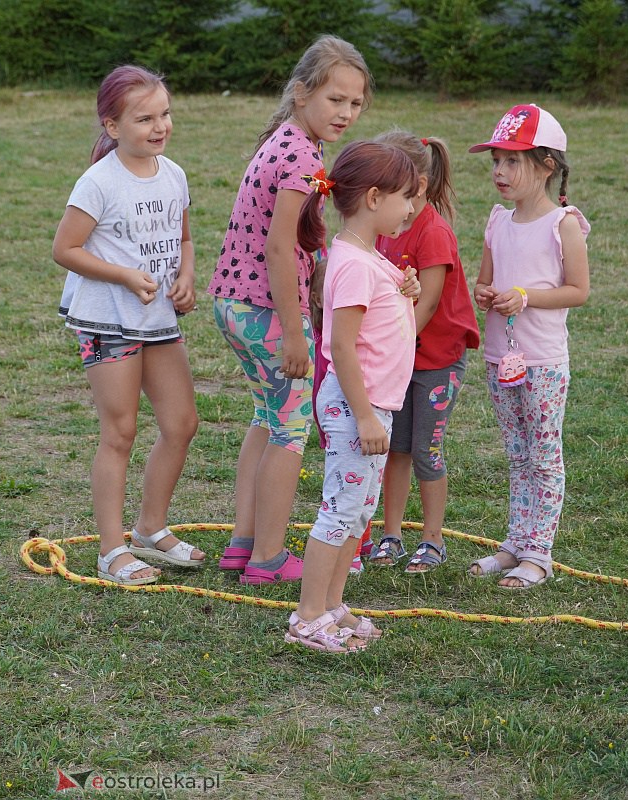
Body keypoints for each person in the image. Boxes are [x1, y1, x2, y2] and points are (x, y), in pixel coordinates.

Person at [209, 35, 374, 585]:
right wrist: (295, 334)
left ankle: (244, 543)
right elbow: (279, 248)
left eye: (355, 103)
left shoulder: (288, 140)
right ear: (302, 93)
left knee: (267, 416)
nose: (346, 112)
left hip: (234, 302)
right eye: (335, 99)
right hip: (267, 310)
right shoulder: (301, 155)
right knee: (290, 430)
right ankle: (268, 559)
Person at [52, 65, 205, 586]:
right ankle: (111, 551)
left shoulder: (174, 174)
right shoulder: (98, 182)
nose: (160, 126)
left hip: (157, 320)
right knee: (120, 432)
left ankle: (149, 529)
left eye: (165, 114)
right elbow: (65, 249)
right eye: (144, 119)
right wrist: (122, 275)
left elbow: (184, 239)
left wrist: (186, 277)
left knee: (182, 423)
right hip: (108, 321)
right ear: (112, 126)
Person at [286, 140, 421, 652]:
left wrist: (404, 290)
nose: (411, 208)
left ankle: (333, 604)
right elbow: (341, 345)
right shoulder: (354, 264)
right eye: (405, 197)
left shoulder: (368, 256)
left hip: (372, 407)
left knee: (358, 513)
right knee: (339, 512)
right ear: (373, 198)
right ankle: (307, 618)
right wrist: (364, 417)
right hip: (356, 408)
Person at [467, 103, 590, 590]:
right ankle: (515, 543)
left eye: (512, 161)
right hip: (500, 359)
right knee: (517, 455)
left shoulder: (563, 224)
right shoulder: (497, 221)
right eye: (496, 160)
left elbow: (578, 291)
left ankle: (539, 553)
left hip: (543, 364)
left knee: (543, 457)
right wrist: (485, 294)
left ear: (546, 166)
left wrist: (526, 296)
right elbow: (485, 281)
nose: (500, 171)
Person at [367, 130, 480, 573]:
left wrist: (390, 350)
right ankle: (391, 535)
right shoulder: (385, 226)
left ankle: (433, 541)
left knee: (425, 451)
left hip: (436, 362)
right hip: (400, 358)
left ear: (416, 184)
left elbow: (428, 304)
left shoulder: (433, 233)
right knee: (395, 448)